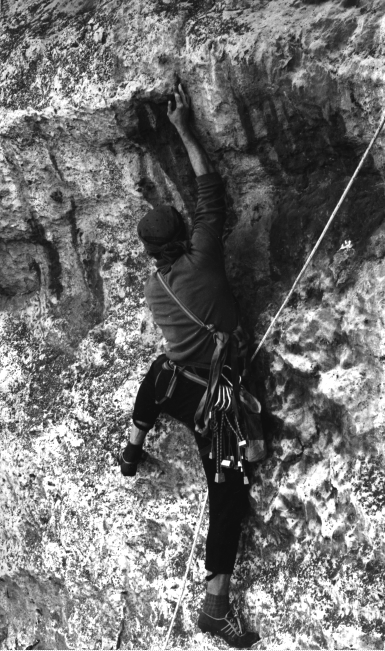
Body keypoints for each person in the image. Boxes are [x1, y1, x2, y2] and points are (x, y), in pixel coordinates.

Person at [119, 82, 261, 650]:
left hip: (177, 385)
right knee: (229, 493)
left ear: (151, 253)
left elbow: (200, 205)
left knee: (158, 373)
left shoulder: (155, 290)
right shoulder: (204, 258)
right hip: (213, 397)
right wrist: (183, 127)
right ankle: (215, 607)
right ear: (184, 237)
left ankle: (133, 446)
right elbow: (210, 192)